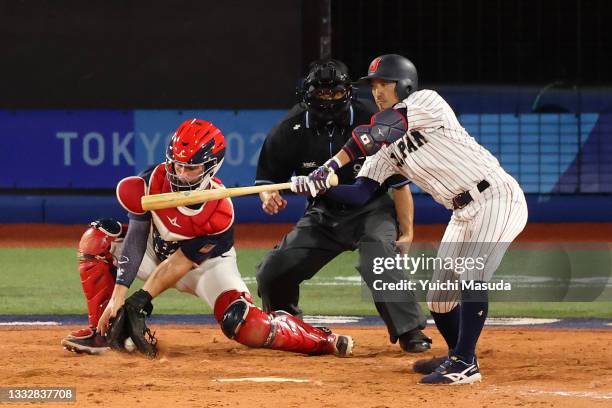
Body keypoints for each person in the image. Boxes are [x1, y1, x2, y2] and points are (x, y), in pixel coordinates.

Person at [296, 54, 528, 384]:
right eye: (373, 86)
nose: (377, 91)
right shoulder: (385, 149)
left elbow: (373, 133)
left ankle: (465, 364)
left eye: (384, 84)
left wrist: (330, 166)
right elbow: (361, 192)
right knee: (440, 299)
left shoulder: (425, 102)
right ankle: (457, 355)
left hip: (496, 196)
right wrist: (317, 188)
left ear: (404, 85)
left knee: (471, 272)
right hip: (462, 211)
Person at [60, 118, 353, 358]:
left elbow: (182, 262)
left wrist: (142, 298)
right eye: (177, 164)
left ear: (212, 166)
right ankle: (103, 333)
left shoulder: (220, 213)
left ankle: (320, 339)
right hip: (155, 251)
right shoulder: (148, 183)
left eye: (192, 167)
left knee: (245, 325)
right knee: (97, 238)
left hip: (204, 268)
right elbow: (136, 237)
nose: (181, 173)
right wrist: (119, 297)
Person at [255, 59, 431, 353]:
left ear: (347, 92)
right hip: (322, 214)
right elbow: (266, 181)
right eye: (322, 93)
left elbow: (399, 184)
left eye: (334, 93)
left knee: (378, 254)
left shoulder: (370, 120)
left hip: (372, 209)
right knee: (272, 271)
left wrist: (408, 231)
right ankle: (287, 328)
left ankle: (410, 332)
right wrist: (267, 196)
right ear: (308, 93)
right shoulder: (290, 128)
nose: (328, 99)